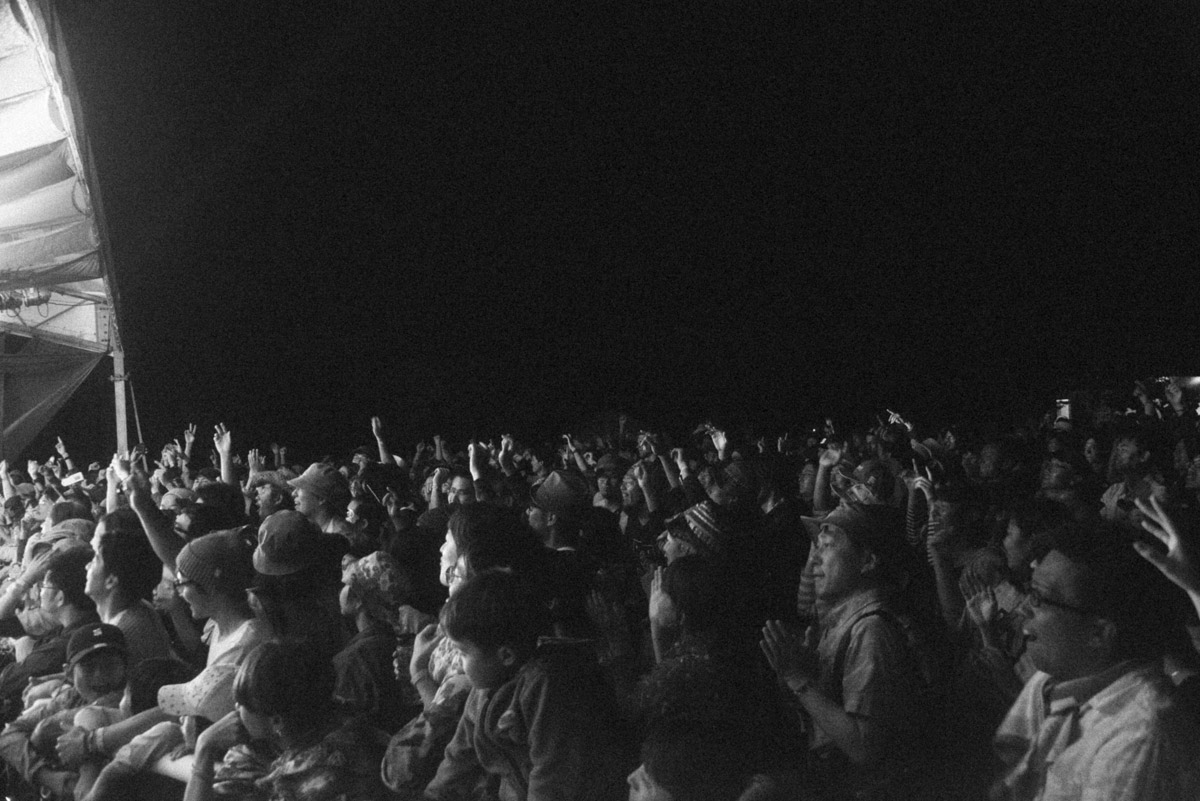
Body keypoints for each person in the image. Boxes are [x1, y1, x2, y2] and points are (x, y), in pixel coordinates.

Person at [991, 519, 1200, 800]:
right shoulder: (1055, 683)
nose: (1023, 610)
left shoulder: (1137, 736)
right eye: (1030, 592)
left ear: (1099, 633)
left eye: (1039, 598)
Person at [760, 502, 922, 796]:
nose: (815, 559)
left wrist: (798, 679)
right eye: (817, 547)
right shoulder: (845, 622)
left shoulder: (871, 630)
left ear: (868, 560)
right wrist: (805, 670)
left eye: (828, 546)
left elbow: (863, 747)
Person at [423, 569, 626, 800]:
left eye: (463, 653)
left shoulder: (545, 686)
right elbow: (458, 757)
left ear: (506, 655)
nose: (458, 662)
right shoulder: (482, 693)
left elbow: (551, 773)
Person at [186, 639, 390, 801]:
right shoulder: (337, 724)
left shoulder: (318, 779)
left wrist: (204, 748)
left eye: (243, 704)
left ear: (276, 721)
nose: (236, 709)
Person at [84, 510, 174, 671]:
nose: (87, 566)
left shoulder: (120, 635)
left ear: (111, 580)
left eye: (95, 560)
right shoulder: (141, 607)